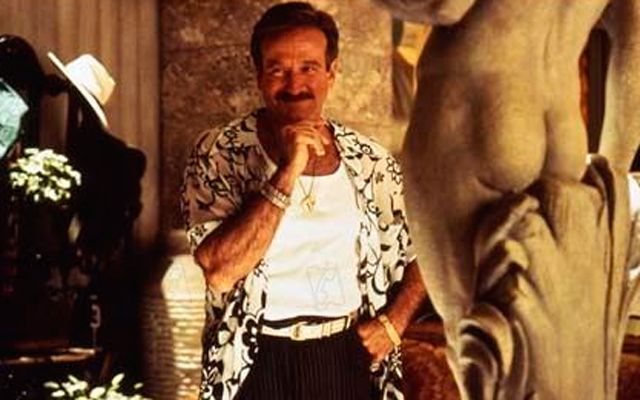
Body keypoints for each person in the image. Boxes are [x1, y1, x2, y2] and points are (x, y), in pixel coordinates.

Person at [181, 2, 427, 399]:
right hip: (253, 358)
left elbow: (427, 248)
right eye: (278, 69)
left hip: (344, 354)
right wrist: (289, 168)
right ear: (259, 75)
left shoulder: (370, 161)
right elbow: (220, 272)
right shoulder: (219, 152)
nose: (294, 84)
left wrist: (394, 323)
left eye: (309, 67)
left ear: (332, 72)